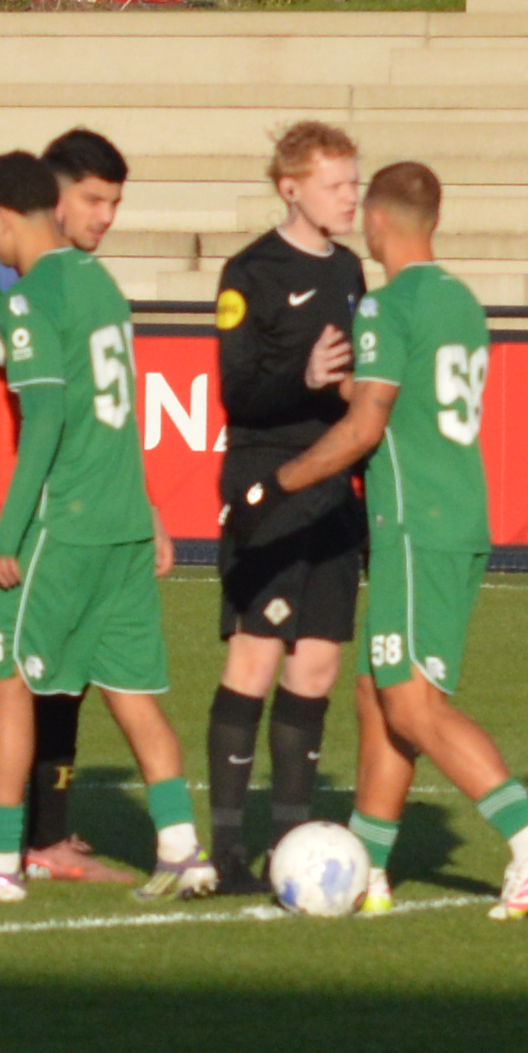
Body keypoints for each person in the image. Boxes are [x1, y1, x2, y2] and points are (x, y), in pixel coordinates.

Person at [256, 162, 528, 918]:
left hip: (414, 524)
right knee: (377, 690)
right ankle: (367, 868)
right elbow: (404, 395)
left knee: (410, 703)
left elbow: (367, 426)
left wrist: (280, 483)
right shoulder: (460, 301)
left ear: (376, 222)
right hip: (458, 514)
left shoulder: (387, 304)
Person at [0, 142, 209, 901]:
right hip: (122, 519)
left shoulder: (34, 296)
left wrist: (7, 532)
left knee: (5, 684)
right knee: (128, 690)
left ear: (0, 217)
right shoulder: (102, 285)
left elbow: (47, 415)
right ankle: (183, 849)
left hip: (66, 521)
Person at [204, 121, 375, 888]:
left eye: (355, 184)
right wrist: (302, 378)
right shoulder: (252, 271)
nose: (351, 198)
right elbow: (238, 391)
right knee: (257, 656)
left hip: (334, 491)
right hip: (270, 484)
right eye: (337, 185)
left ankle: (293, 844)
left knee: (317, 667)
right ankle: (230, 846)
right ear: (291, 189)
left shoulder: (350, 270)